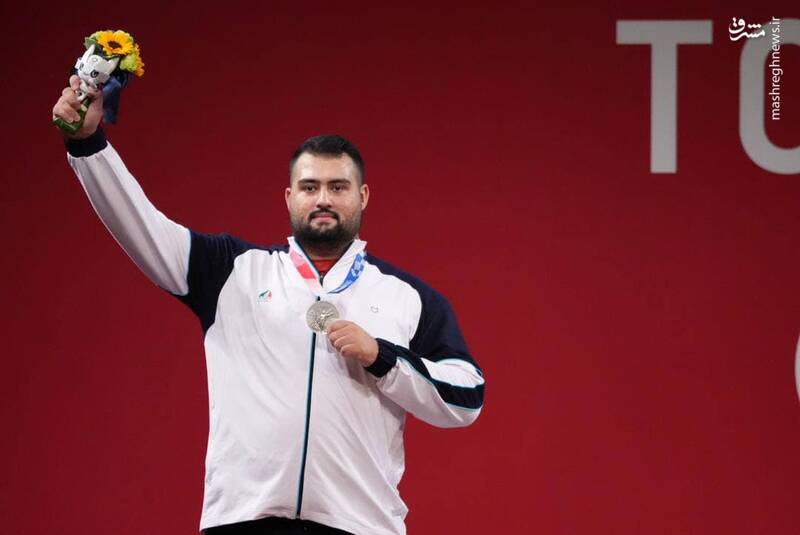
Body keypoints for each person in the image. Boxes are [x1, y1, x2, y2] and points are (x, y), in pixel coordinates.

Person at [52, 75, 485, 535]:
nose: (323, 199)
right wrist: (87, 145)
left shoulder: (407, 297)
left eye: (338, 187)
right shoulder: (232, 271)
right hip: (243, 519)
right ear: (289, 197)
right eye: (309, 187)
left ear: (362, 196)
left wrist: (382, 357)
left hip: (360, 525)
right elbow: (139, 224)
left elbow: (467, 397)